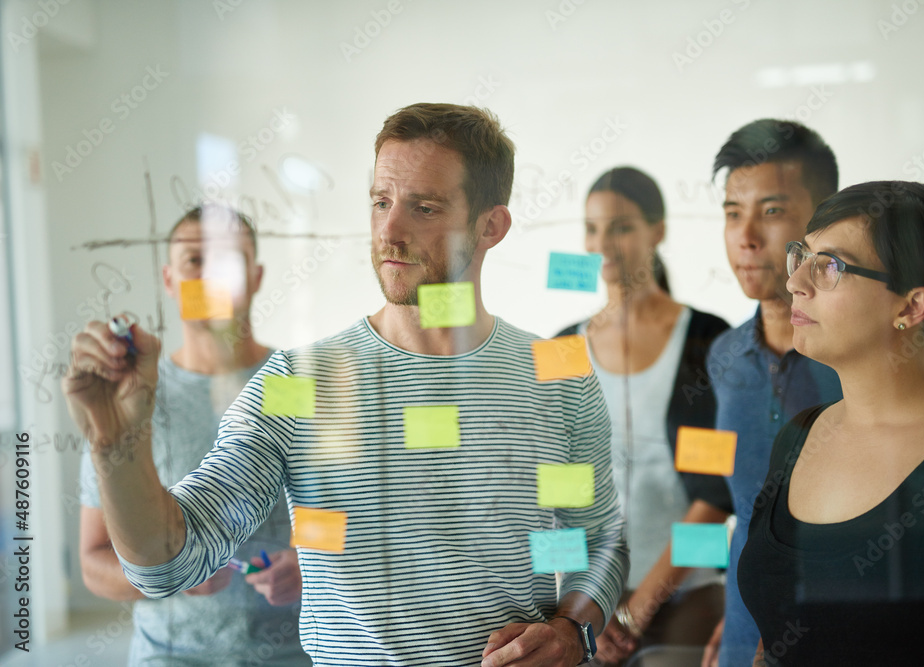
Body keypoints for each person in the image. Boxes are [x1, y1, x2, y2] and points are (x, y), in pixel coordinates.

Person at [62, 103, 628, 667]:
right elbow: (167, 563)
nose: (390, 230)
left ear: (491, 225)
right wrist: (117, 443)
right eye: (381, 202)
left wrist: (569, 630)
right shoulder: (301, 383)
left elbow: (597, 538)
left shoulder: (557, 372)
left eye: (423, 208)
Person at [702, 119, 924, 667]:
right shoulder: (797, 435)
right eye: (803, 256)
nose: (796, 281)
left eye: (831, 266)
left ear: (911, 307)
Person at [77, 204, 310, 665]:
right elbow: (94, 561)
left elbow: (347, 513)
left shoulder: (298, 387)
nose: (210, 277)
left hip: (293, 652)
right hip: (171, 656)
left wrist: (309, 564)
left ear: (256, 275)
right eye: (194, 261)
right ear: (169, 279)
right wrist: (172, 575)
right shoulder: (131, 401)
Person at [556, 167, 731, 665]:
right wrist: (579, 605)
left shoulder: (708, 340)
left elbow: (715, 499)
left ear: (659, 230)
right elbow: (553, 494)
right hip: (587, 609)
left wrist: (634, 611)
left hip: (690, 598)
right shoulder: (560, 349)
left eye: (622, 226)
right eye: (592, 229)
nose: (603, 244)